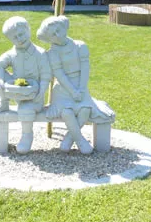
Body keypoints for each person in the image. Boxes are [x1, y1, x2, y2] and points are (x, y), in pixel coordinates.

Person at [37, 15, 114, 154]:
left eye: (58, 31)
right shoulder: (52, 53)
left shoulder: (80, 46)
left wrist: (82, 89)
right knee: (67, 112)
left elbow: (85, 69)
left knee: (85, 110)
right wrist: (73, 92)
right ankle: (81, 141)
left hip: (80, 84)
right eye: (53, 35)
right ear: (49, 39)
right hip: (63, 89)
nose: (57, 36)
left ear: (64, 28)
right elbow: (59, 74)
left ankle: (69, 138)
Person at [0, 17, 51, 154]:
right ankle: (2, 102)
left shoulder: (40, 54)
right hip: (17, 91)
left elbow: (46, 76)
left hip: (34, 97)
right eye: (15, 37)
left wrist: (41, 93)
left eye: (21, 34)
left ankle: (27, 135)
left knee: (25, 109)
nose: (19, 39)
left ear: (28, 30)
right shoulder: (12, 53)